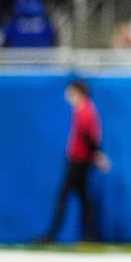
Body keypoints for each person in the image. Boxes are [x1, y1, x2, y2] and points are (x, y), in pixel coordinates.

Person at [39, 80, 110, 243]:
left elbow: (88, 136)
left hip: (79, 160)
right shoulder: (85, 109)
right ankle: (89, 236)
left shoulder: (85, 109)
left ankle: (53, 234)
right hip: (80, 159)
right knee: (83, 199)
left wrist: (96, 155)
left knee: (65, 197)